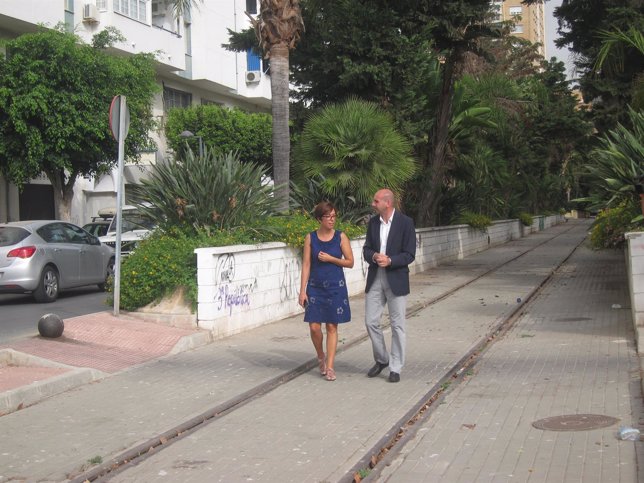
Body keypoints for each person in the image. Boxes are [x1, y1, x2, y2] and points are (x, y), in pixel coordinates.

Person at [363, 189, 416, 383]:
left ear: (387, 203)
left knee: (398, 325)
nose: (373, 203)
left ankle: (396, 367)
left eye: (376, 201)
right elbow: (366, 249)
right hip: (376, 276)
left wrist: (391, 260)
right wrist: (375, 256)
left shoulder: (406, 223)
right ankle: (382, 359)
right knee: (370, 321)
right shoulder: (373, 222)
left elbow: (410, 254)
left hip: (396, 278)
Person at [299, 201, 354, 381]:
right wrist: (302, 290)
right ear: (319, 219)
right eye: (328, 217)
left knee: (332, 326)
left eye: (334, 216)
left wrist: (331, 258)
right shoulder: (311, 238)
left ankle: (330, 366)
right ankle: (320, 355)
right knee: (314, 327)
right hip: (315, 287)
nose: (332, 220)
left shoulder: (340, 237)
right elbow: (306, 264)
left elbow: (350, 262)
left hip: (335, 287)